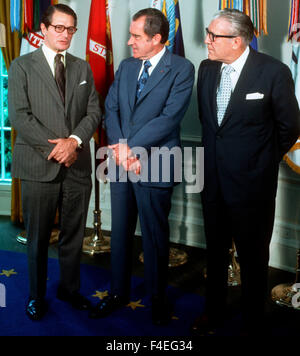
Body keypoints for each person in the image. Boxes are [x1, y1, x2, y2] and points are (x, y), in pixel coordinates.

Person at [194, 8, 300, 335]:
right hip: (212, 182)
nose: (207, 41)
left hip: (253, 187)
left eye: (214, 36)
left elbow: (290, 127)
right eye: (208, 34)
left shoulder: (273, 72)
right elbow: (211, 126)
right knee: (214, 253)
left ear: (237, 41)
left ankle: (253, 321)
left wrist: (260, 162)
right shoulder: (207, 69)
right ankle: (214, 313)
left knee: (254, 260)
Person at [89, 8, 194, 325]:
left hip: (156, 161)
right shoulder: (126, 65)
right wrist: (121, 147)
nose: (129, 41)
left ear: (157, 38)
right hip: (122, 161)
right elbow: (112, 107)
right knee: (119, 232)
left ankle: (158, 299)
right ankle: (118, 293)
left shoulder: (182, 68)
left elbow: (169, 118)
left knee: (154, 235)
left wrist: (129, 148)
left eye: (136, 36)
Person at [8, 4, 101, 321]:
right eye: (58, 28)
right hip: (38, 164)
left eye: (71, 29)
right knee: (37, 238)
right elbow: (20, 115)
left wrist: (73, 142)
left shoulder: (82, 67)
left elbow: (93, 113)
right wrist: (58, 147)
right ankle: (36, 295)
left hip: (76, 165)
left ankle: (70, 289)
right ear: (43, 30)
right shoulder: (22, 65)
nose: (65, 34)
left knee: (73, 235)